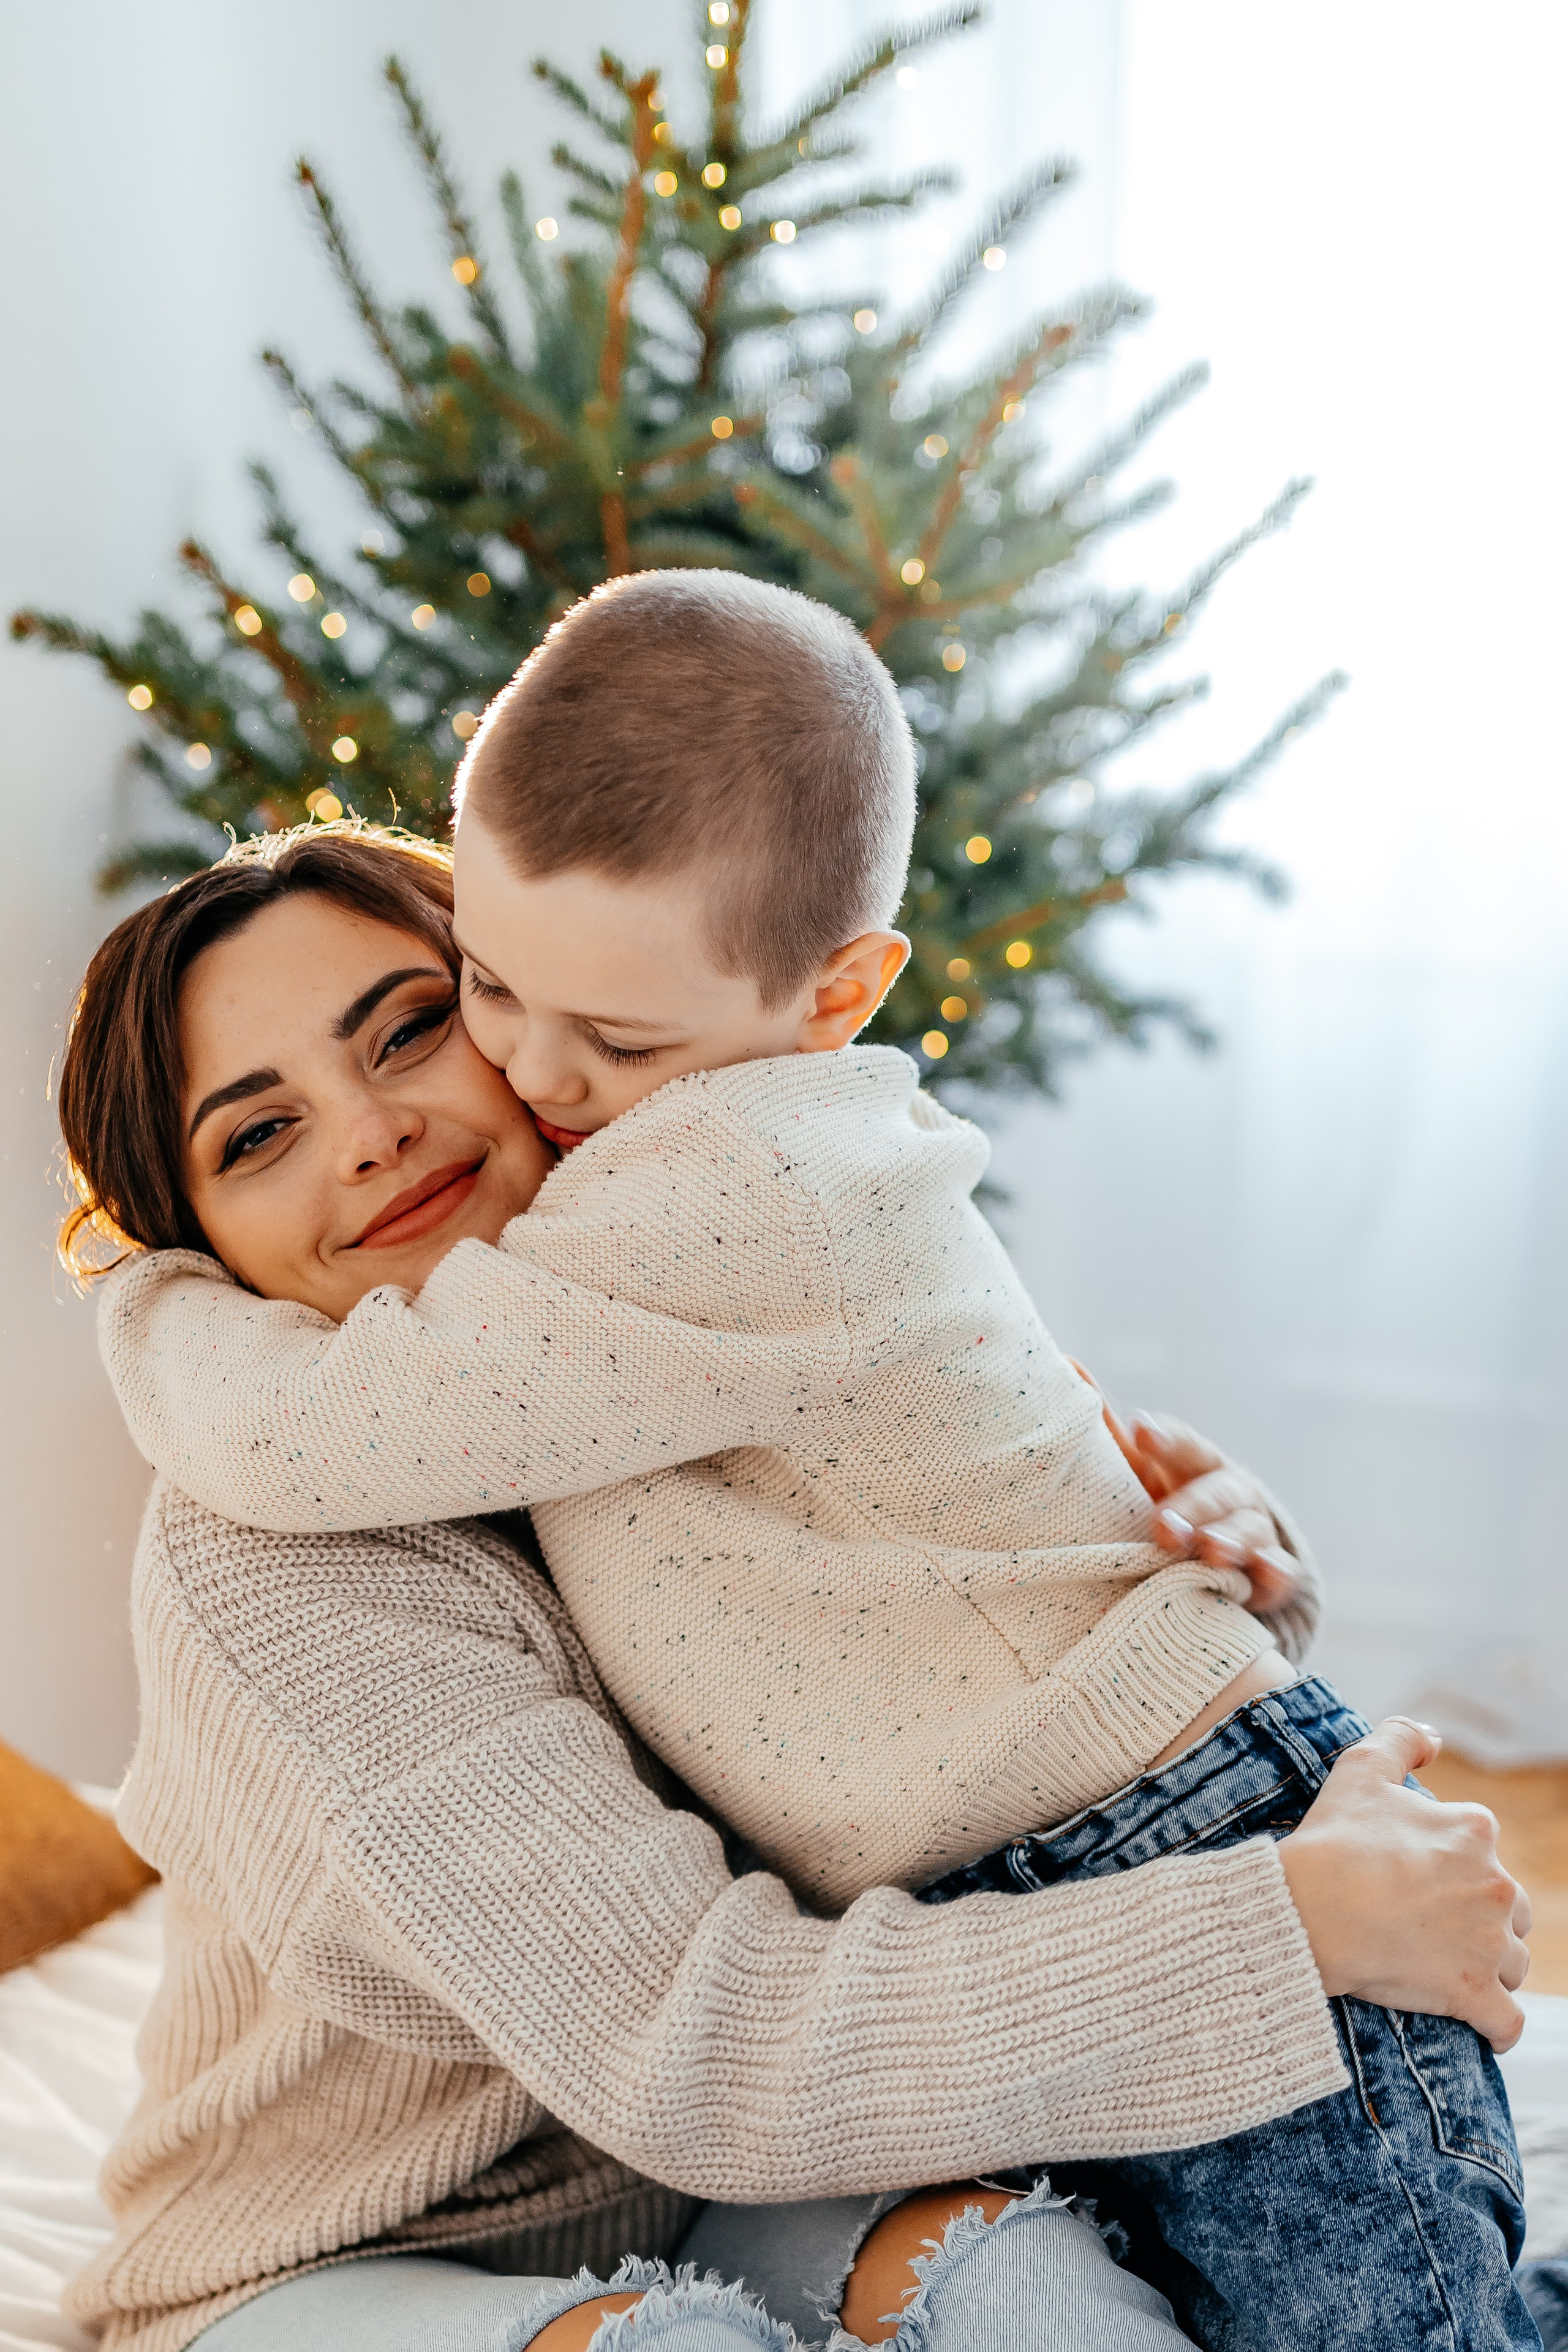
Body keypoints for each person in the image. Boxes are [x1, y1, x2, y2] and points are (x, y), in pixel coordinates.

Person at [91, 576, 1541, 2346]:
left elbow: (964, 1592)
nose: (382, 1126)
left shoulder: (631, 1300)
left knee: (1074, 2305)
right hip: (340, 2254)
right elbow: (689, 2041)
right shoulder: (282, 1535)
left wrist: (1217, 1540)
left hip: (715, 2162)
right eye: (257, 1137)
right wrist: (142, 1304)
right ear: (199, 1241)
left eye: (408, 1022)